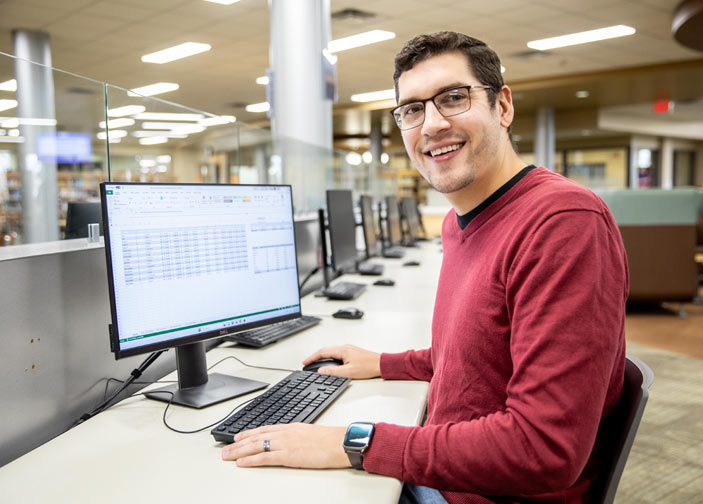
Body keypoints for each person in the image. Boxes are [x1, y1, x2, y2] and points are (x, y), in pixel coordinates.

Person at [222, 31, 628, 504]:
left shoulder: (562, 222)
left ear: (502, 107)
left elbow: (543, 449)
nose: (431, 124)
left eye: (454, 98)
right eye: (412, 110)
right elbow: (481, 353)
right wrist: (384, 363)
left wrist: (353, 442)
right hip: (450, 472)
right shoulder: (463, 223)